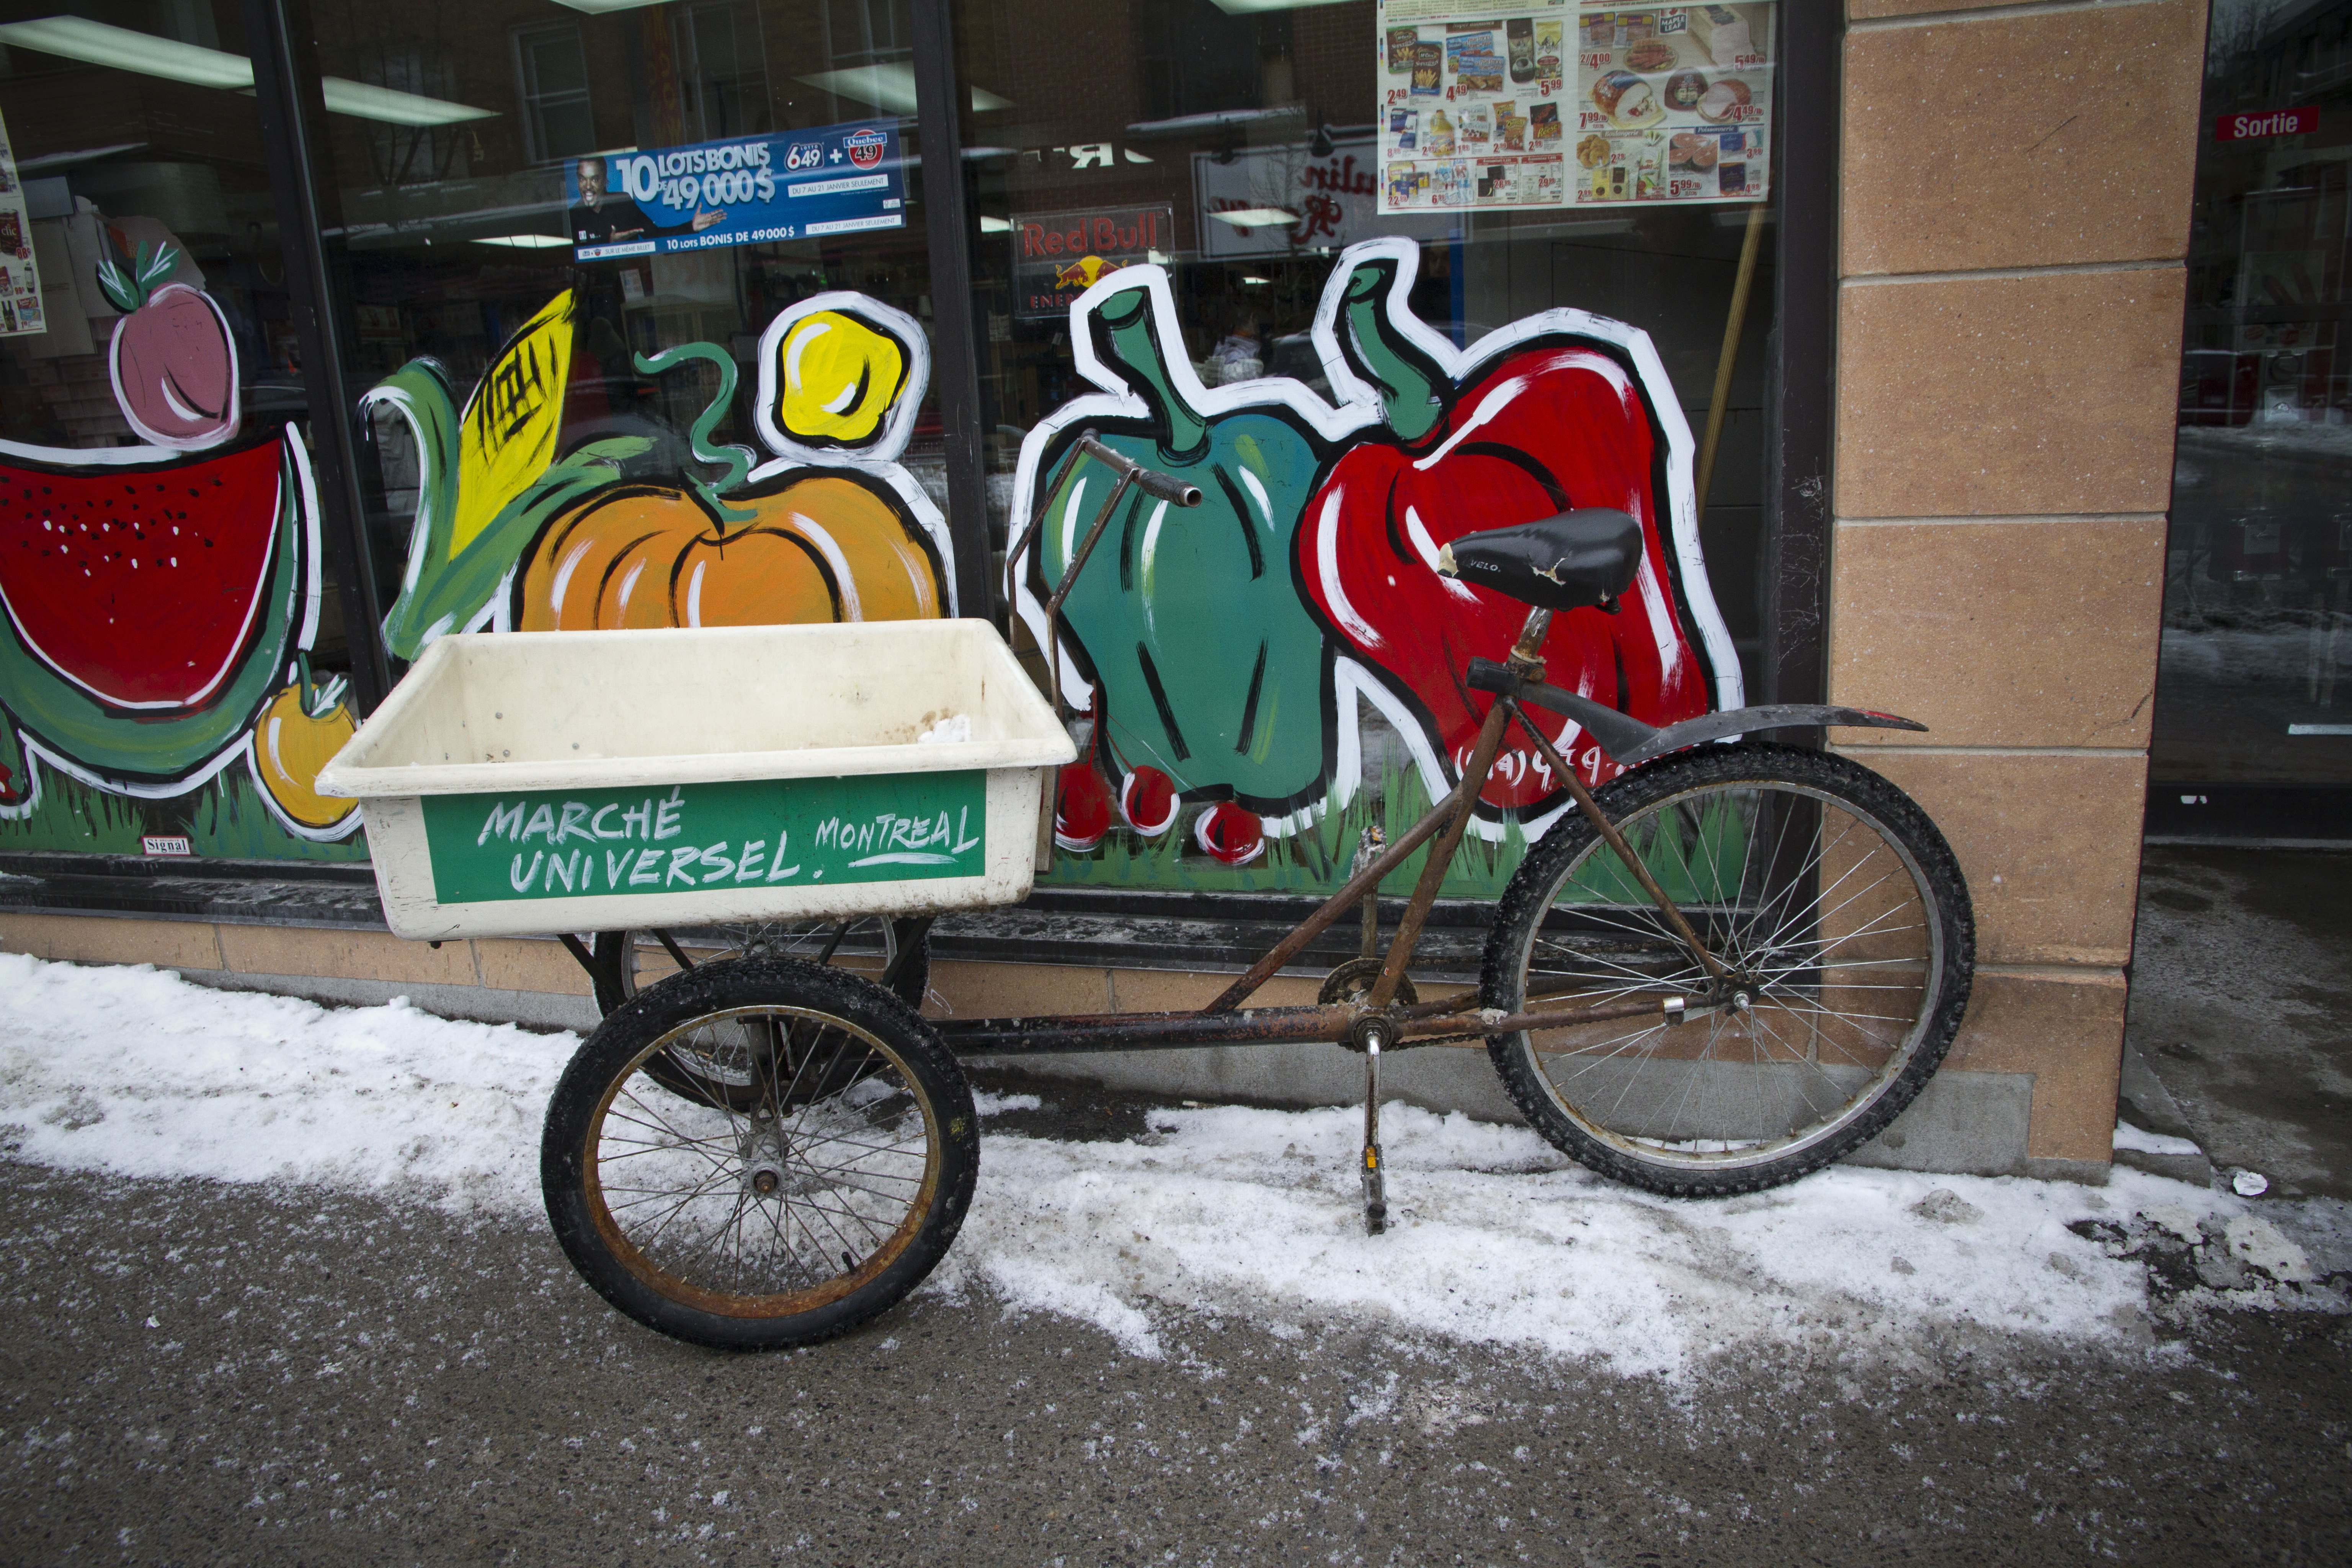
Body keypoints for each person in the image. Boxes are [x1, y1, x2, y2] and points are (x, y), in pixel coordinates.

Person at [568, 156, 726, 249]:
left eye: (595, 179)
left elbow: (655, 235)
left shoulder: (622, 203)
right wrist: (610, 244)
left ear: (605, 180)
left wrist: (691, 227)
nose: (588, 187)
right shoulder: (574, 214)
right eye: (582, 179)